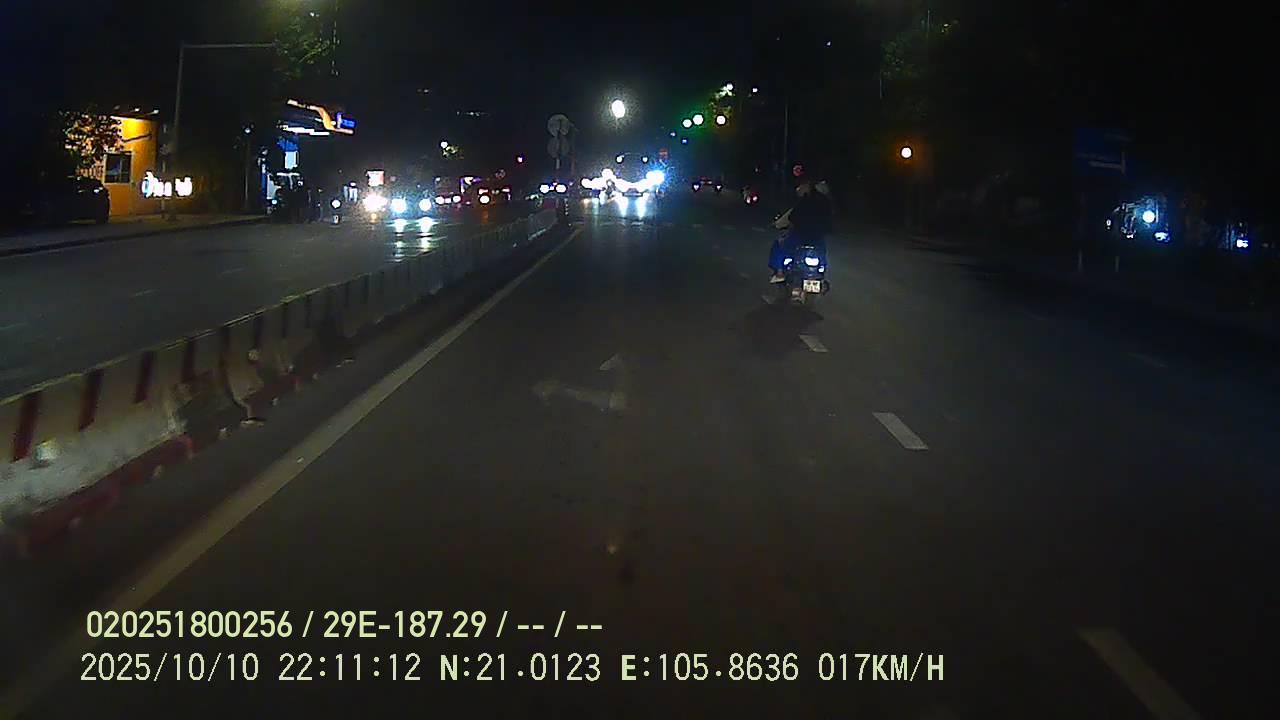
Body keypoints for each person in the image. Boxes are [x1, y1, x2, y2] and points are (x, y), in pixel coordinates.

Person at [769, 179, 831, 282]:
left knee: (779, 246)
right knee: (822, 253)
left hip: (800, 235)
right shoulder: (826, 203)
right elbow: (830, 222)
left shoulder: (806, 201)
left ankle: (780, 273)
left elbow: (793, 217)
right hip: (817, 238)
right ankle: (821, 275)